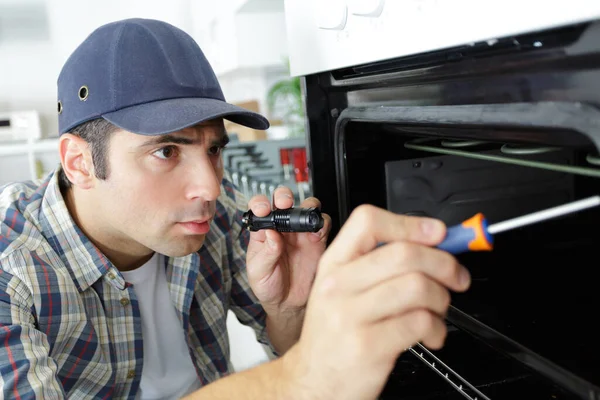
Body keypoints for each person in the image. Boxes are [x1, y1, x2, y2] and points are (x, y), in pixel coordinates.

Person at [0, 18, 471, 400]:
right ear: (79, 163)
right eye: (167, 152)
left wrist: (290, 309)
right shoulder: (11, 269)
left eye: (213, 150)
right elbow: (303, 376)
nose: (208, 185)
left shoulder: (220, 218)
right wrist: (300, 378)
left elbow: (295, 347)